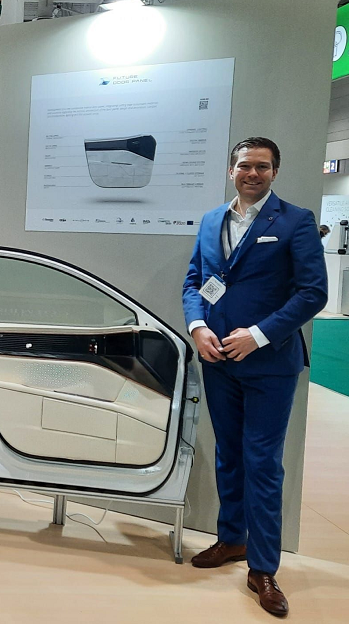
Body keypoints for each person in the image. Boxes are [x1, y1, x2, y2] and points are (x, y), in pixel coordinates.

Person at [182, 137, 327, 617]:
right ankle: (232, 539)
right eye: (245, 165)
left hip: (269, 364)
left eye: (262, 166)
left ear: (274, 172)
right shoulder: (211, 220)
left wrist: (259, 336)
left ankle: (263, 568)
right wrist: (198, 327)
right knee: (229, 455)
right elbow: (195, 281)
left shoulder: (295, 221)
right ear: (231, 171)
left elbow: (312, 293)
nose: (252, 173)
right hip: (218, 360)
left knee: (262, 462)